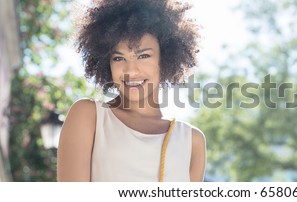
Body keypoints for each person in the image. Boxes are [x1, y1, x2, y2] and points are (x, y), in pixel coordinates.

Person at [57, 0, 206, 182]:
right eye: (119, 58)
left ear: (165, 58)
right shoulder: (89, 116)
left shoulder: (192, 141)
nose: (131, 71)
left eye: (143, 56)